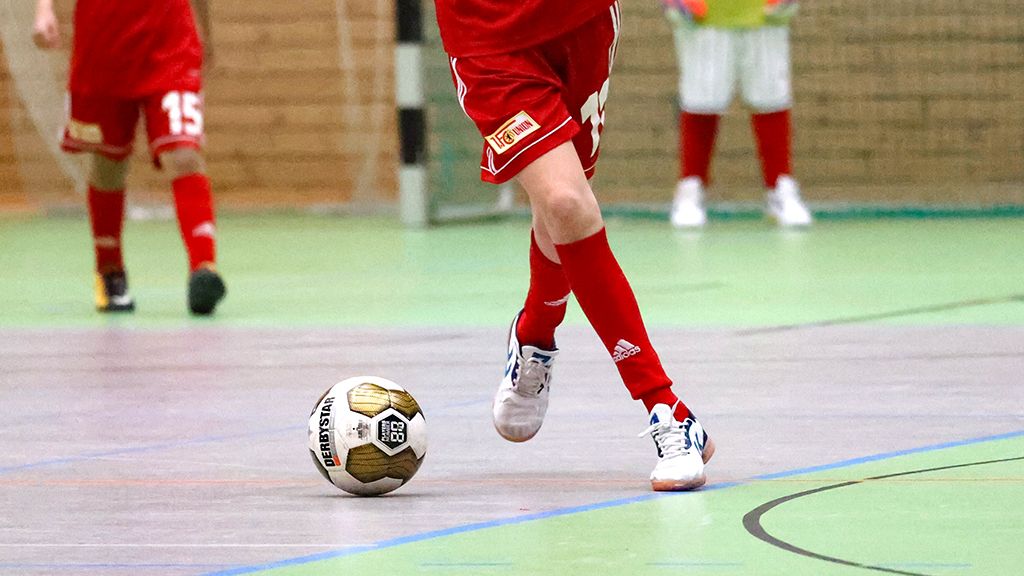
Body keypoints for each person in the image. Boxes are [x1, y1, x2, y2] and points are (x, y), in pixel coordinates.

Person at [435, 0, 714, 490]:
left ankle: (536, 332)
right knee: (566, 201)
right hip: (487, 35)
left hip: (578, 21)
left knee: (564, 203)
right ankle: (668, 408)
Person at [32, 0, 226, 315]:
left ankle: (204, 268)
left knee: (184, 153)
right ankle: (109, 270)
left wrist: (205, 32)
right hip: (103, 46)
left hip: (170, 42)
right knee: (109, 162)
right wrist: (43, 10)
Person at [662, 0, 812, 228]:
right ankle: (690, 188)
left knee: (770, 95)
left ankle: (779, 186)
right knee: (700, 97)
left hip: (765, 12)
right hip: (704, 13)